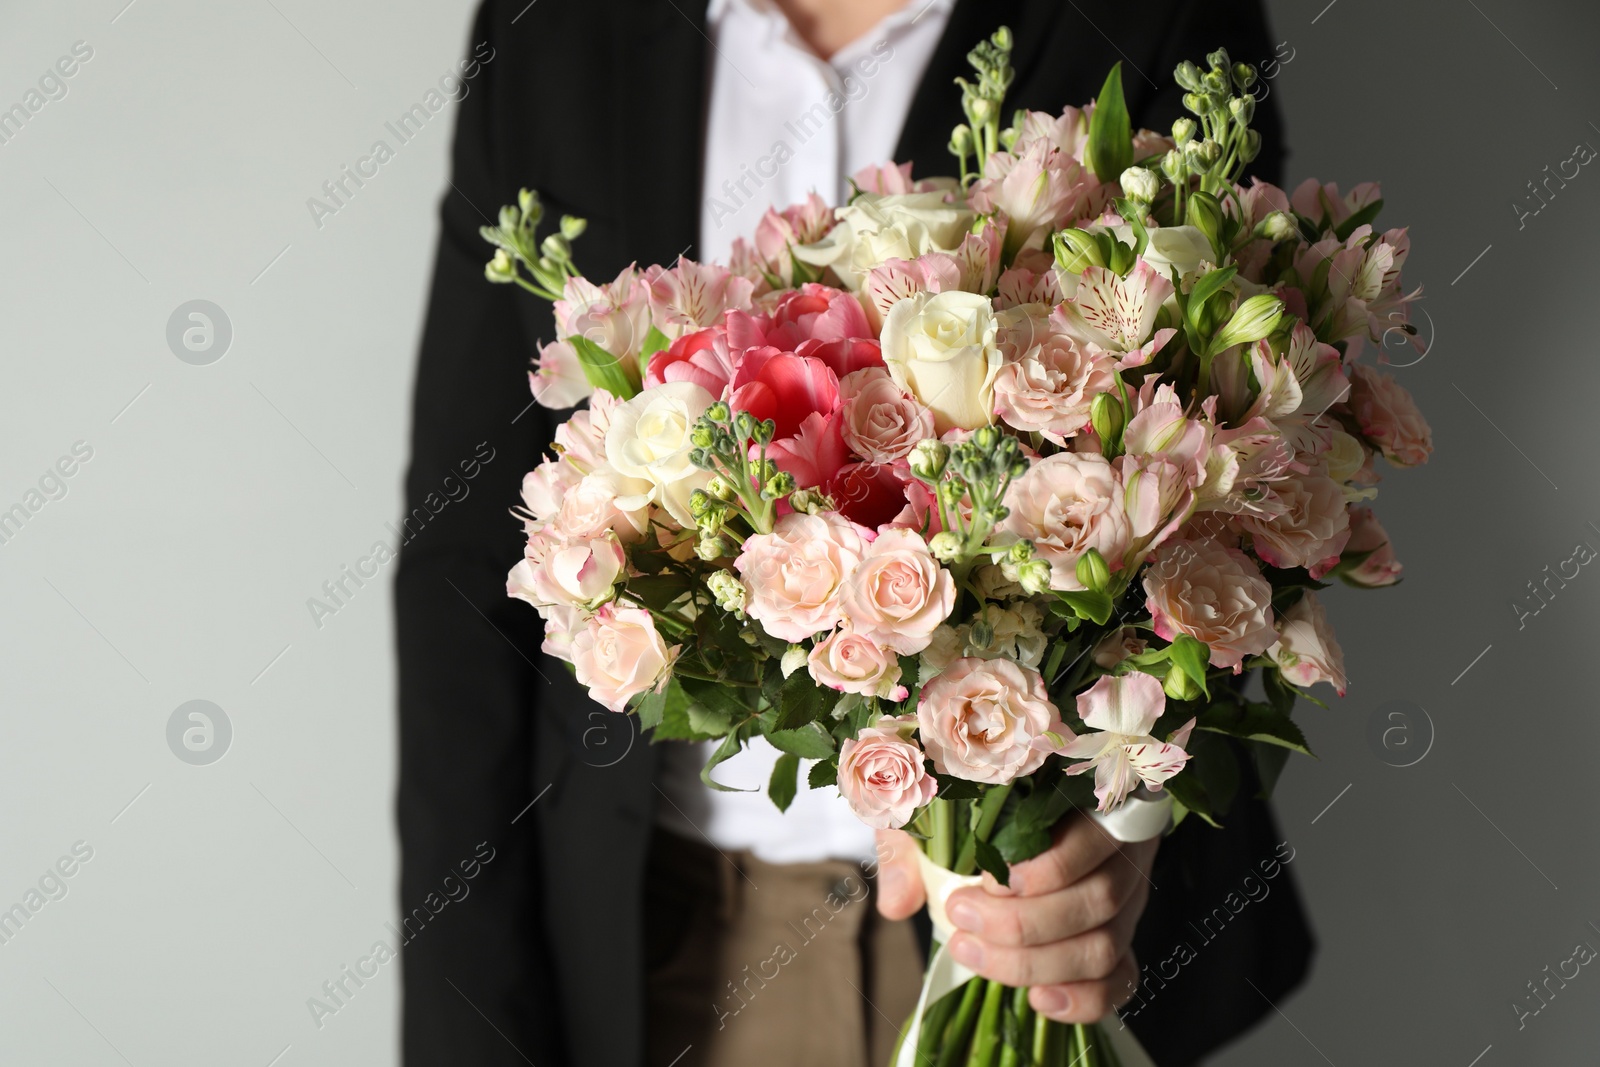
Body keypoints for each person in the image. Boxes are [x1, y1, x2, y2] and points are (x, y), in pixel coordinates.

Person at [395, 1, 1313, 1065]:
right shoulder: (554, 27)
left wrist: (1123, 820)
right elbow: (464, 567)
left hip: (1027, 943)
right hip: (665, 942)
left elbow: (1233, 488)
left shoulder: (1146, 17)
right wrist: (465, 1026)